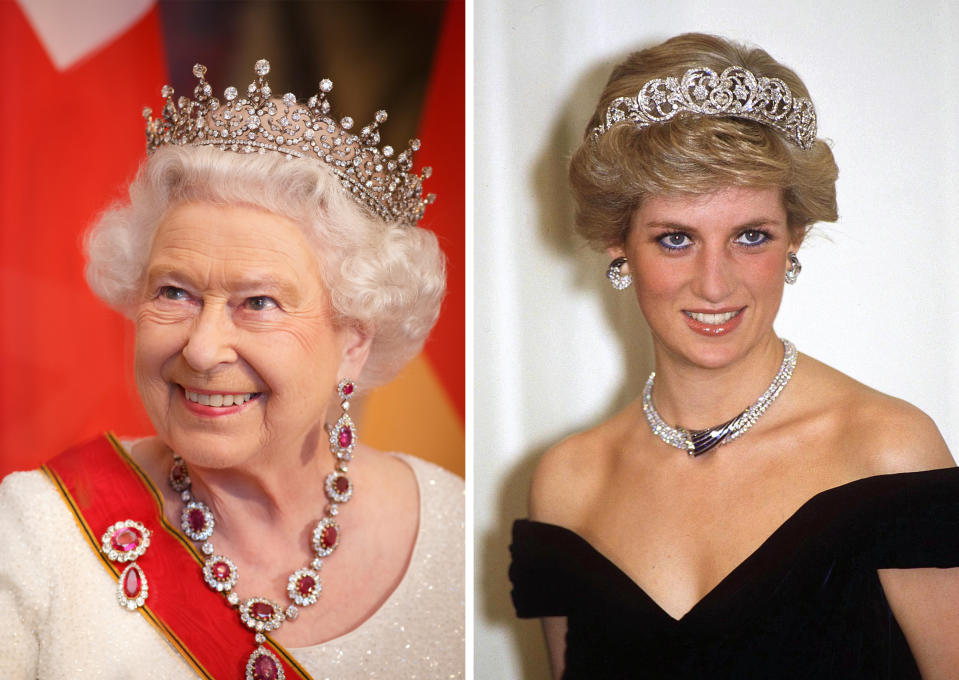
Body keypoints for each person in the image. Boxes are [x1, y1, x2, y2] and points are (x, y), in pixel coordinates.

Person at [509, 33, 959, 679]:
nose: (714, 284)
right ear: (617, 244)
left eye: (750, 236)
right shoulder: (568, 484)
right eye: (674, 239)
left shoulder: (884, 452)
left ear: (793, 237)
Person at [0, 60, 463, 679]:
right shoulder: (38, 531)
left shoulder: (456, 529)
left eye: (259, 303)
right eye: (173, 293)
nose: (201, 348)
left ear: (353, 342)